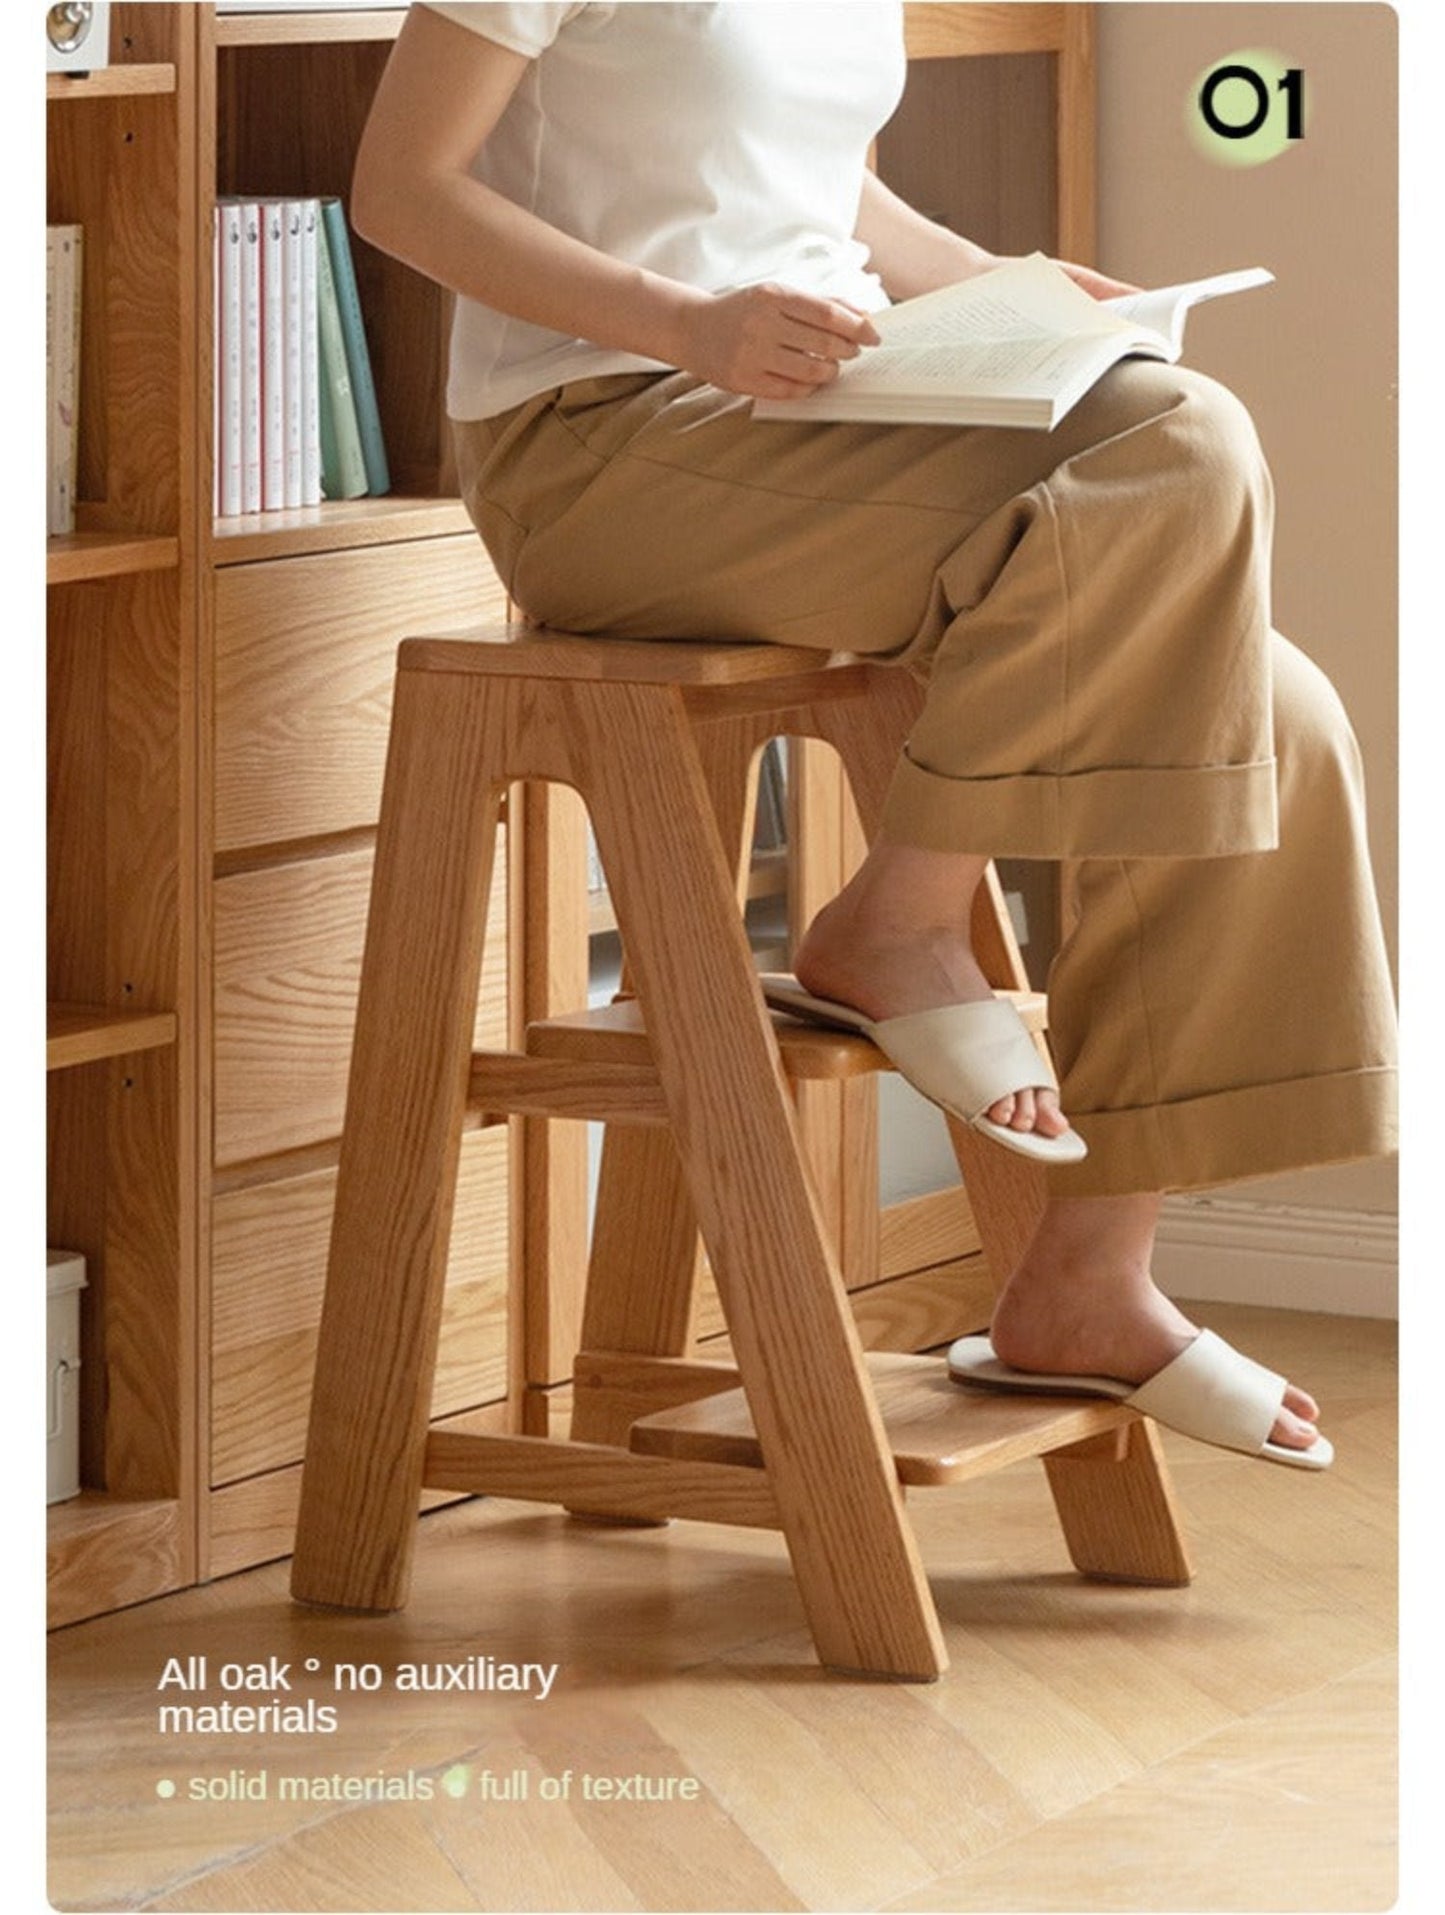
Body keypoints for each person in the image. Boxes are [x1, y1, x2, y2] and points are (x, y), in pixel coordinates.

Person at [350, 0, 1397, 1466]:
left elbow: (808, 179)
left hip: (821, 411)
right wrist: (685, 324)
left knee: (1273, 712)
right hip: (603, 441)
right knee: (1183, 434)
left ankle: (1088, 1278)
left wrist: (1011, 293)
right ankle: (892, 925)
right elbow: (400, 189)